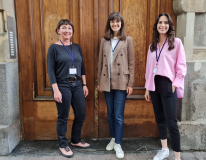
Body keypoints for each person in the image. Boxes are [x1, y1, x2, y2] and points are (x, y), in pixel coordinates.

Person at [144, 13, 187, 160]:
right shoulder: (152, 46)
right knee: (160, 119)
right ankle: (164, 149)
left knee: (172, 122)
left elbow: (181, 67)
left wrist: (175, 84)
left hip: (168, 85)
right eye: (160, 22)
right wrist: (147, 88)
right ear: (156, 25)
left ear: (169, 26)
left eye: (166, 23)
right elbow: (149, 68)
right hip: (154, 86)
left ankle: (177, 157)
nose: (163, 25)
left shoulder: (176, 43)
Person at [47, 19, 90, 158]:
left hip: (77, 84)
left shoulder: (76, 47)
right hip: (62, 85)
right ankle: (63, 144)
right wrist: (56, 90)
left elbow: (82, 67)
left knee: (81, 113)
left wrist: (84, 84)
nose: (67, 30)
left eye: (69, 28)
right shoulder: (53, 48)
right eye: (64, 27)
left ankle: (75, 140)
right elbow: (50, 71)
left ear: (72, 32)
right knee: (63, 116)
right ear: (58, 30)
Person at [97, 12, 135, 159]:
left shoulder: (128, 40)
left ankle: (118, 143)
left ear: (121, 24)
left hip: (121, 81)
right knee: (110, 114)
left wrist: (130, 83)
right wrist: (99, 82)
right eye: (112, 22)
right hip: (107, 81)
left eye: (117, 22)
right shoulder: (104, 40)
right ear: (109, 24)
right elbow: (100, 62)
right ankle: (113, 139)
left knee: (118, 116)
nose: (115, 24)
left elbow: (131, 63)